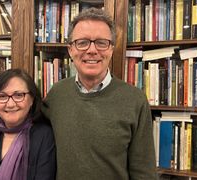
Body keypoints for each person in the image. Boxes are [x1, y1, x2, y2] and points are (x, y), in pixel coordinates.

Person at [41, 8, 157, 180]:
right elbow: (25, 123)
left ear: (111, 49)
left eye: (101, 43)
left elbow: (144, 172)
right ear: (71, 50)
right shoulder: (57, 94)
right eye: (82, 42)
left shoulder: (135, 100)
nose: (92, 50)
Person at [0, 69, 56, 180]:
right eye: (2, 96)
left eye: (18, 95)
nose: (11, 104)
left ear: (32, 99)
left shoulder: (44, 136)